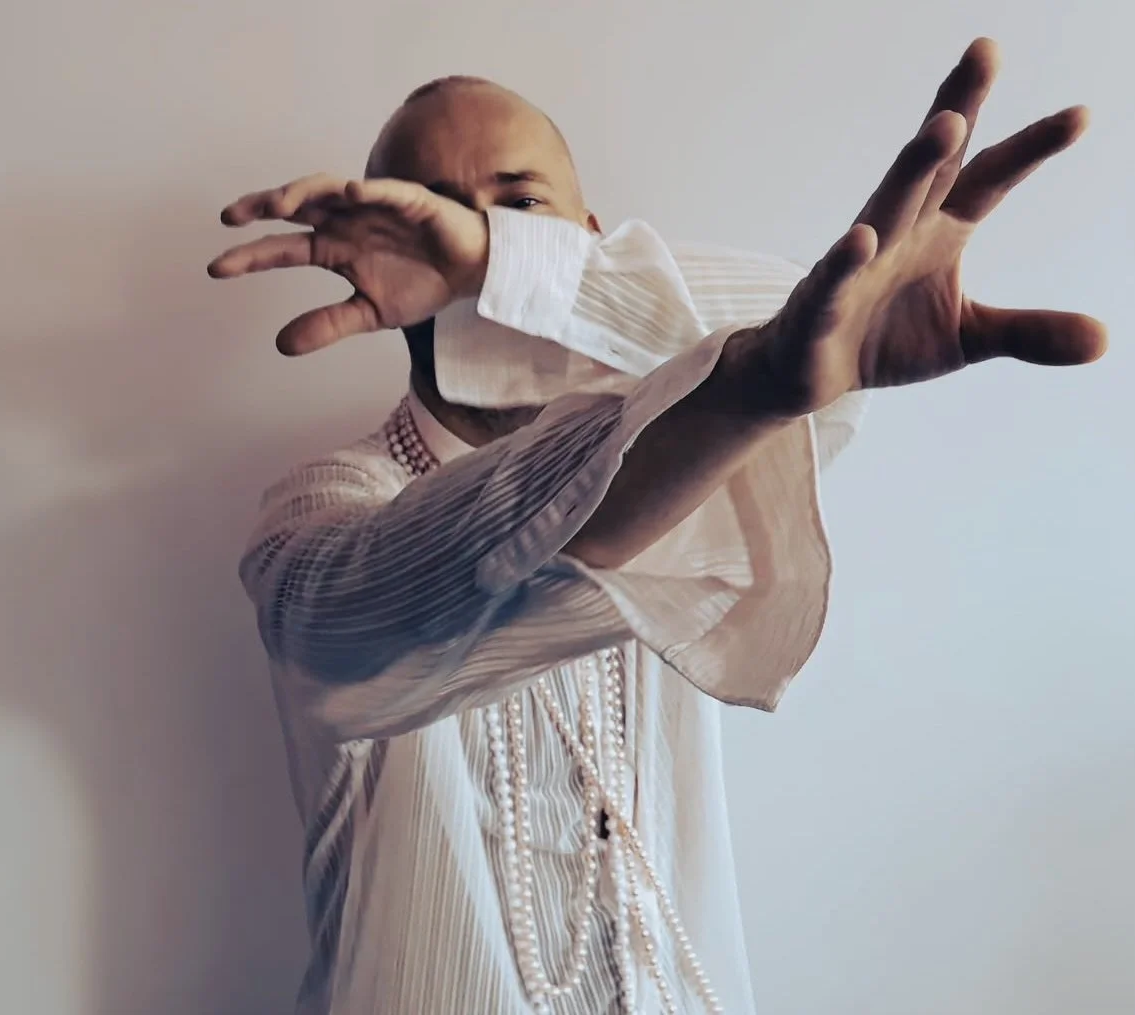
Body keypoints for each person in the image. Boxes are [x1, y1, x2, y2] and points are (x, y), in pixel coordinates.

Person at [207, 38, 1105, 1015]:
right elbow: (348, 616)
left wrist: (525, 273)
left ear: (582, 244)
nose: (464, 244)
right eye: (435, 212)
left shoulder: (711, 440)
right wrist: (517, 266)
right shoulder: (323, 505)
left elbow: (802, 351)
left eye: (516, 208)